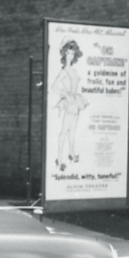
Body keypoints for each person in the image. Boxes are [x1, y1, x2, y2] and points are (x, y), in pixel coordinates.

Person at [52, 39, 88, 173]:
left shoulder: (73, 69)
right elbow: (54, 86)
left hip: (75, 101)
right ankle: (59, 160)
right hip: (70, 102)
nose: (70, 56)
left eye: (72, 54)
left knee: (72, 131)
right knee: (64, 131)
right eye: (68, 53)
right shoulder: (64, 71)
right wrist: (66, 95)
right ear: (64, 54)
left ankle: (72, 154)